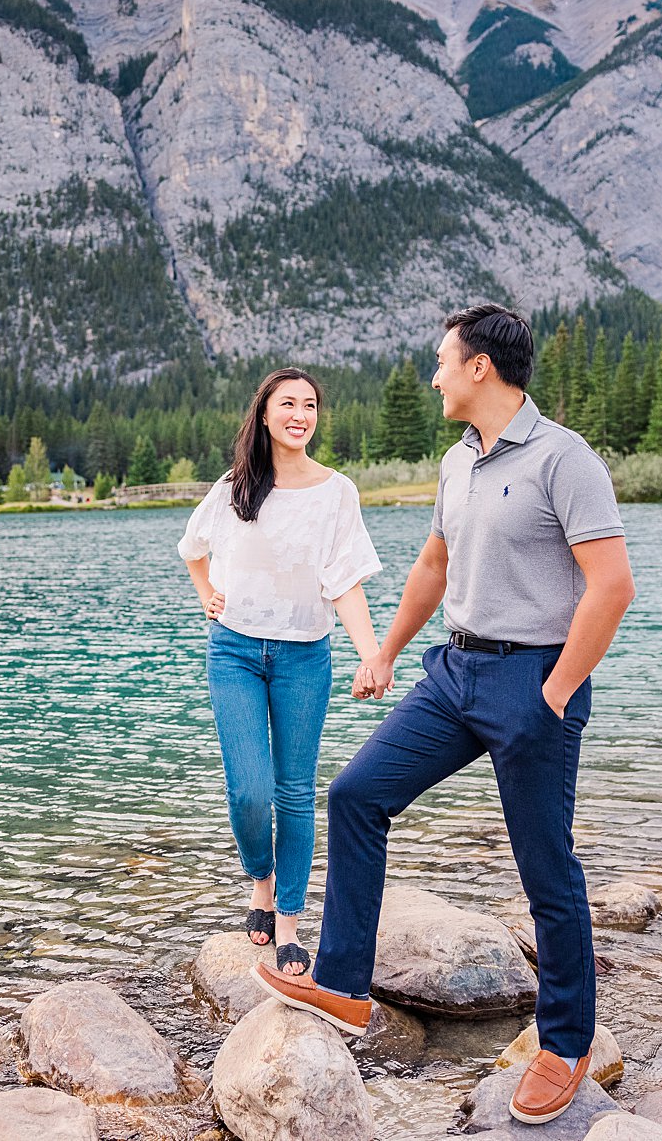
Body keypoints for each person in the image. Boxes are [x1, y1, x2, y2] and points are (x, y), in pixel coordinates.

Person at [256, 305, 635, 1128]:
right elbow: (435, 561)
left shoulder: (564, 459)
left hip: (534, 681)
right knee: (358, 795)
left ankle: (565, 1043)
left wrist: (559, 691)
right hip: (455, 672)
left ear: (479, 369)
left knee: (546, 868)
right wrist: (387, 652)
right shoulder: (457, 462)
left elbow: (611, 588)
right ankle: (345, 985)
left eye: (441, 360)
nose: (432, 374)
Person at [179, 367, 383, 978]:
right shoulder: (235, 486)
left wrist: (370, 652)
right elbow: (193, 548)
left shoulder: (336, 493)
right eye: (288, 403)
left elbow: (343, 580)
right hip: (234, 651)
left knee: (295, 792)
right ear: (264, 415)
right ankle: (259, 881)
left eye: (311, 405)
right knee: (249, 790)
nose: (301, 414)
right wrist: (206, 592)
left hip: (303, 656)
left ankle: (288, 917)